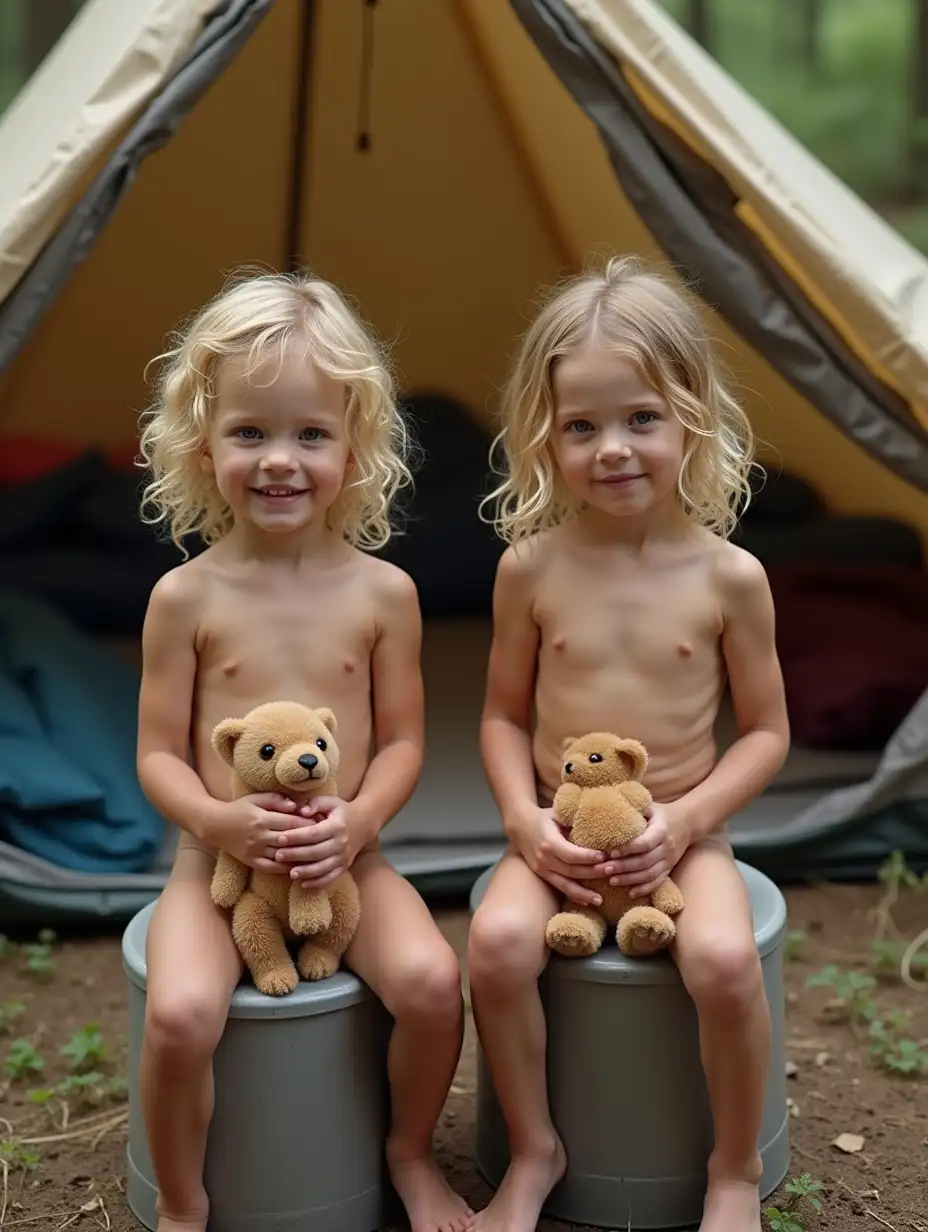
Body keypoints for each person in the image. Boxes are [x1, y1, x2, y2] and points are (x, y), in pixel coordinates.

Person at [135, 271, 471, 1232]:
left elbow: (405, 740)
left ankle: (408, 1156)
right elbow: (159, 754)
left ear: (355, 448)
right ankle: (185, 1205)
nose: (279, 461)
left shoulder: (382, 594)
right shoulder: (185, 599)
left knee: (433, 985)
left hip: (346, 862)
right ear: (202, 446)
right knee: (181, 1016)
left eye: (310, 435)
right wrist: (217, 820)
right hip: (214, 870)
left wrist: (357, 821)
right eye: (251, 433)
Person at [467, 256, 790, 1232]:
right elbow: (499, 716)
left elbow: (768, 732)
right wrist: (524, 820)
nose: (613, 447)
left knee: (727, 963)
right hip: (557, 834)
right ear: (544, 436)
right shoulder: (529, 570)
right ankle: (534, 1148)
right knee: (494, 943)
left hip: (682, 836)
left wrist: (687, 818)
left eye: (640, 418)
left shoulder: (729, 577)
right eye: (581, 425)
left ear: (691, 414)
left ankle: (731, 1167)